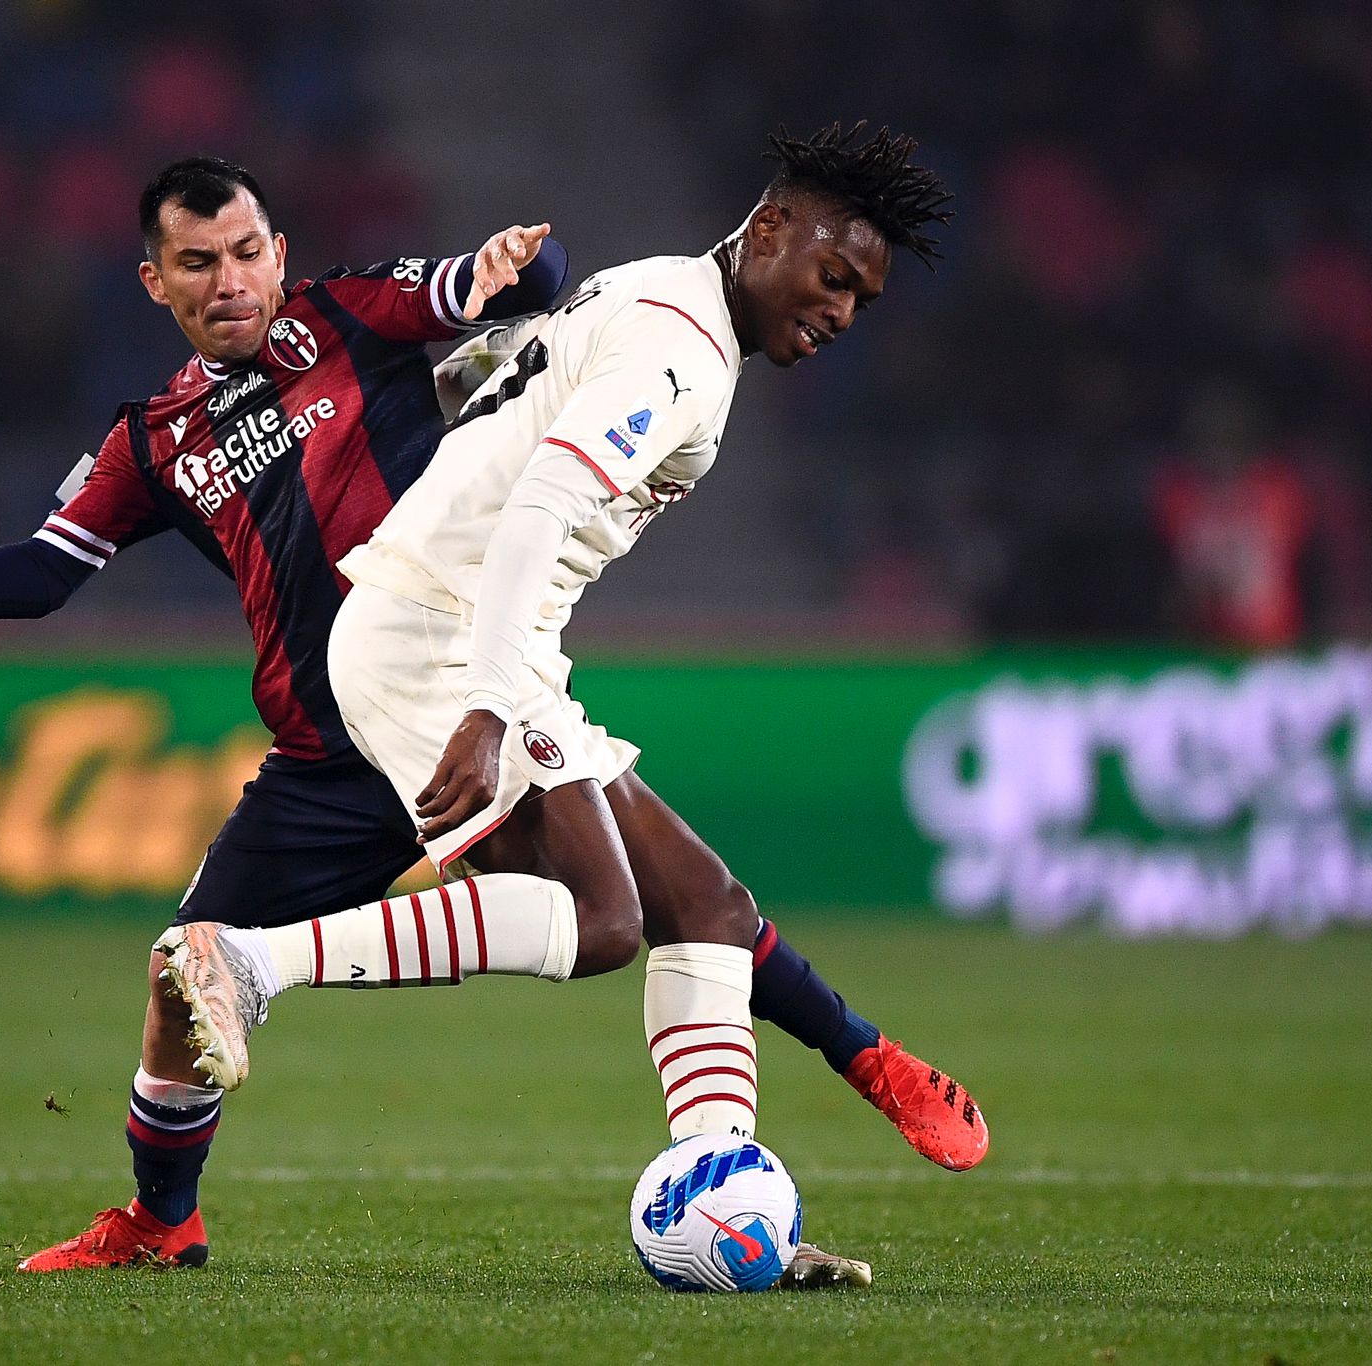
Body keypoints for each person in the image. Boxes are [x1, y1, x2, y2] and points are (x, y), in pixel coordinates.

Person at [161, 122, 990, 1184]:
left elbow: (487, 371)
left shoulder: (648, 286)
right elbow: (544, 505)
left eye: (857, 302)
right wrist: (491, 704)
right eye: (829, 277)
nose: (836, 311)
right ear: (768, 227)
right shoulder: (683, 353)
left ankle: (721, 1196)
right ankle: (249, 959)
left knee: (708, 909)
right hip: (444, 631)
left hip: (468, 626)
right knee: (600, 921)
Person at [0, 156, 571, 1269]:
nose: (228, 280)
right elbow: (46, 572)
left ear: (276, 253)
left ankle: (857, 1054)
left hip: (452, 712)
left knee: (640, 903)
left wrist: (516, 262)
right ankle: (159, 1220)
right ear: (156, 283)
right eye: (197, 262)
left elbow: (514, 285)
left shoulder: (348, 313)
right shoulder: (150, 439)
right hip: (324, 762)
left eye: (244, 253)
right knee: (180, 971)